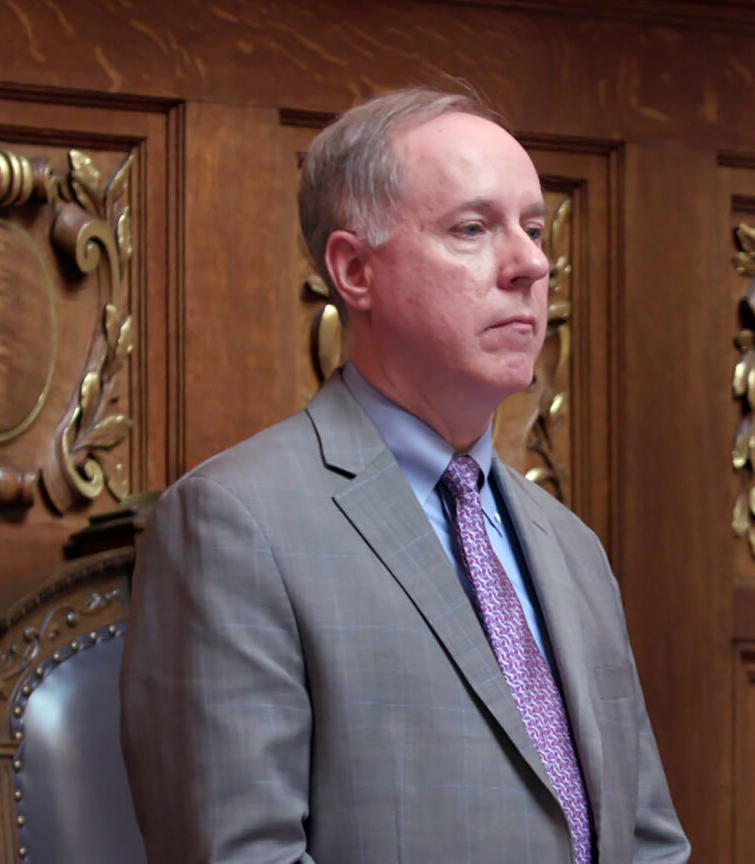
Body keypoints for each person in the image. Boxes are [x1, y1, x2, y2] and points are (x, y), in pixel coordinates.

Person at [119, 87, 691, 864]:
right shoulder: (235, 523)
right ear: (355, 270)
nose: (530, 264)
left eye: (532, 228)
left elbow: (648, 845)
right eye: (473, 228)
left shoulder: (572, 547)